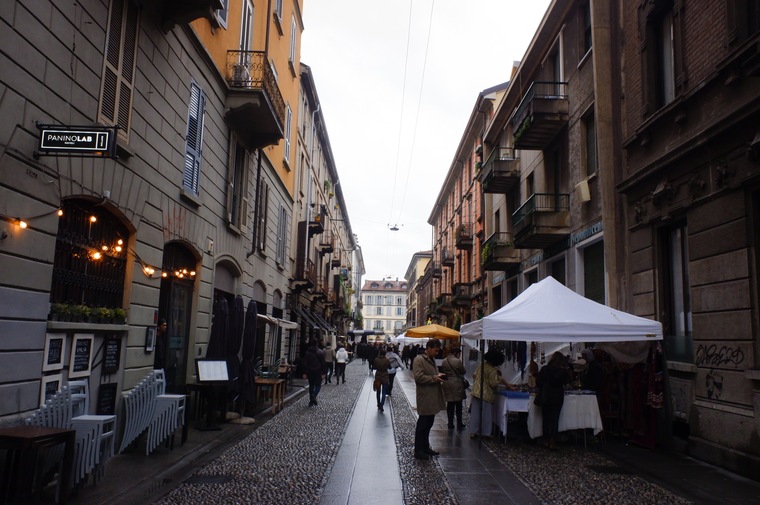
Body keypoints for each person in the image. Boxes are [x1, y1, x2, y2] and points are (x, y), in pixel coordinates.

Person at [412, 338, 446, 460]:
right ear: (429, 348)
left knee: (429, 424)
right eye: (435, 350)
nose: (437, 353)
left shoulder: (431, 359)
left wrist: (438, 376)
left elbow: (431, 374)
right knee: (422, 424)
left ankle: (425, 447)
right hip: (425, 396)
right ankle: (419, 450)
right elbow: (418, 377)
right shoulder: (419, 360)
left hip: (432, 396)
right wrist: (434, 378)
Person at [470, 348, 513, 440]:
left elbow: (474, 375)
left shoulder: (481, 366)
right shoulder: (493, 370)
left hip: (476, 392)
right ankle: (486, 433)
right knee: (486, 415)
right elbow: (493, 383)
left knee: (475, 414)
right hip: (486, 395)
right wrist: (499, 381)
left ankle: (473, 432)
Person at [537, 351, 571, 450]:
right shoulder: (563, 371)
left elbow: (538, 382)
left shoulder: (544, 369)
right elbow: (565, 382)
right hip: (557, 396)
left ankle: (546, 439)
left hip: (546, 395)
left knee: (546, 418)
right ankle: (553, 441)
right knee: (555, 419)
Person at [441, 347, 467, 429]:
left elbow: (443, 371)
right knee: (459, 405)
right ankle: (459, 423)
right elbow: (463, 371)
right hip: (457, 384)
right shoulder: (457, 361)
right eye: (459, 353)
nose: (459, 355)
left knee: (450, 405)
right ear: (456, 353)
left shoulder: (444, 360)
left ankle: (450, 423)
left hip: (447, 383)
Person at [304, 338, 325, 406]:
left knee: (311, 385)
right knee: (318, 385)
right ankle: (314, 396)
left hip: (310, 371)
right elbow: (323, 363)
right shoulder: (320, 352)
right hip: (318, 371)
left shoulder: (307, 352)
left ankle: (311, 401)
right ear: (317, 344)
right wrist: (324, 372)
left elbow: (305, 363)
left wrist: (304, 372)